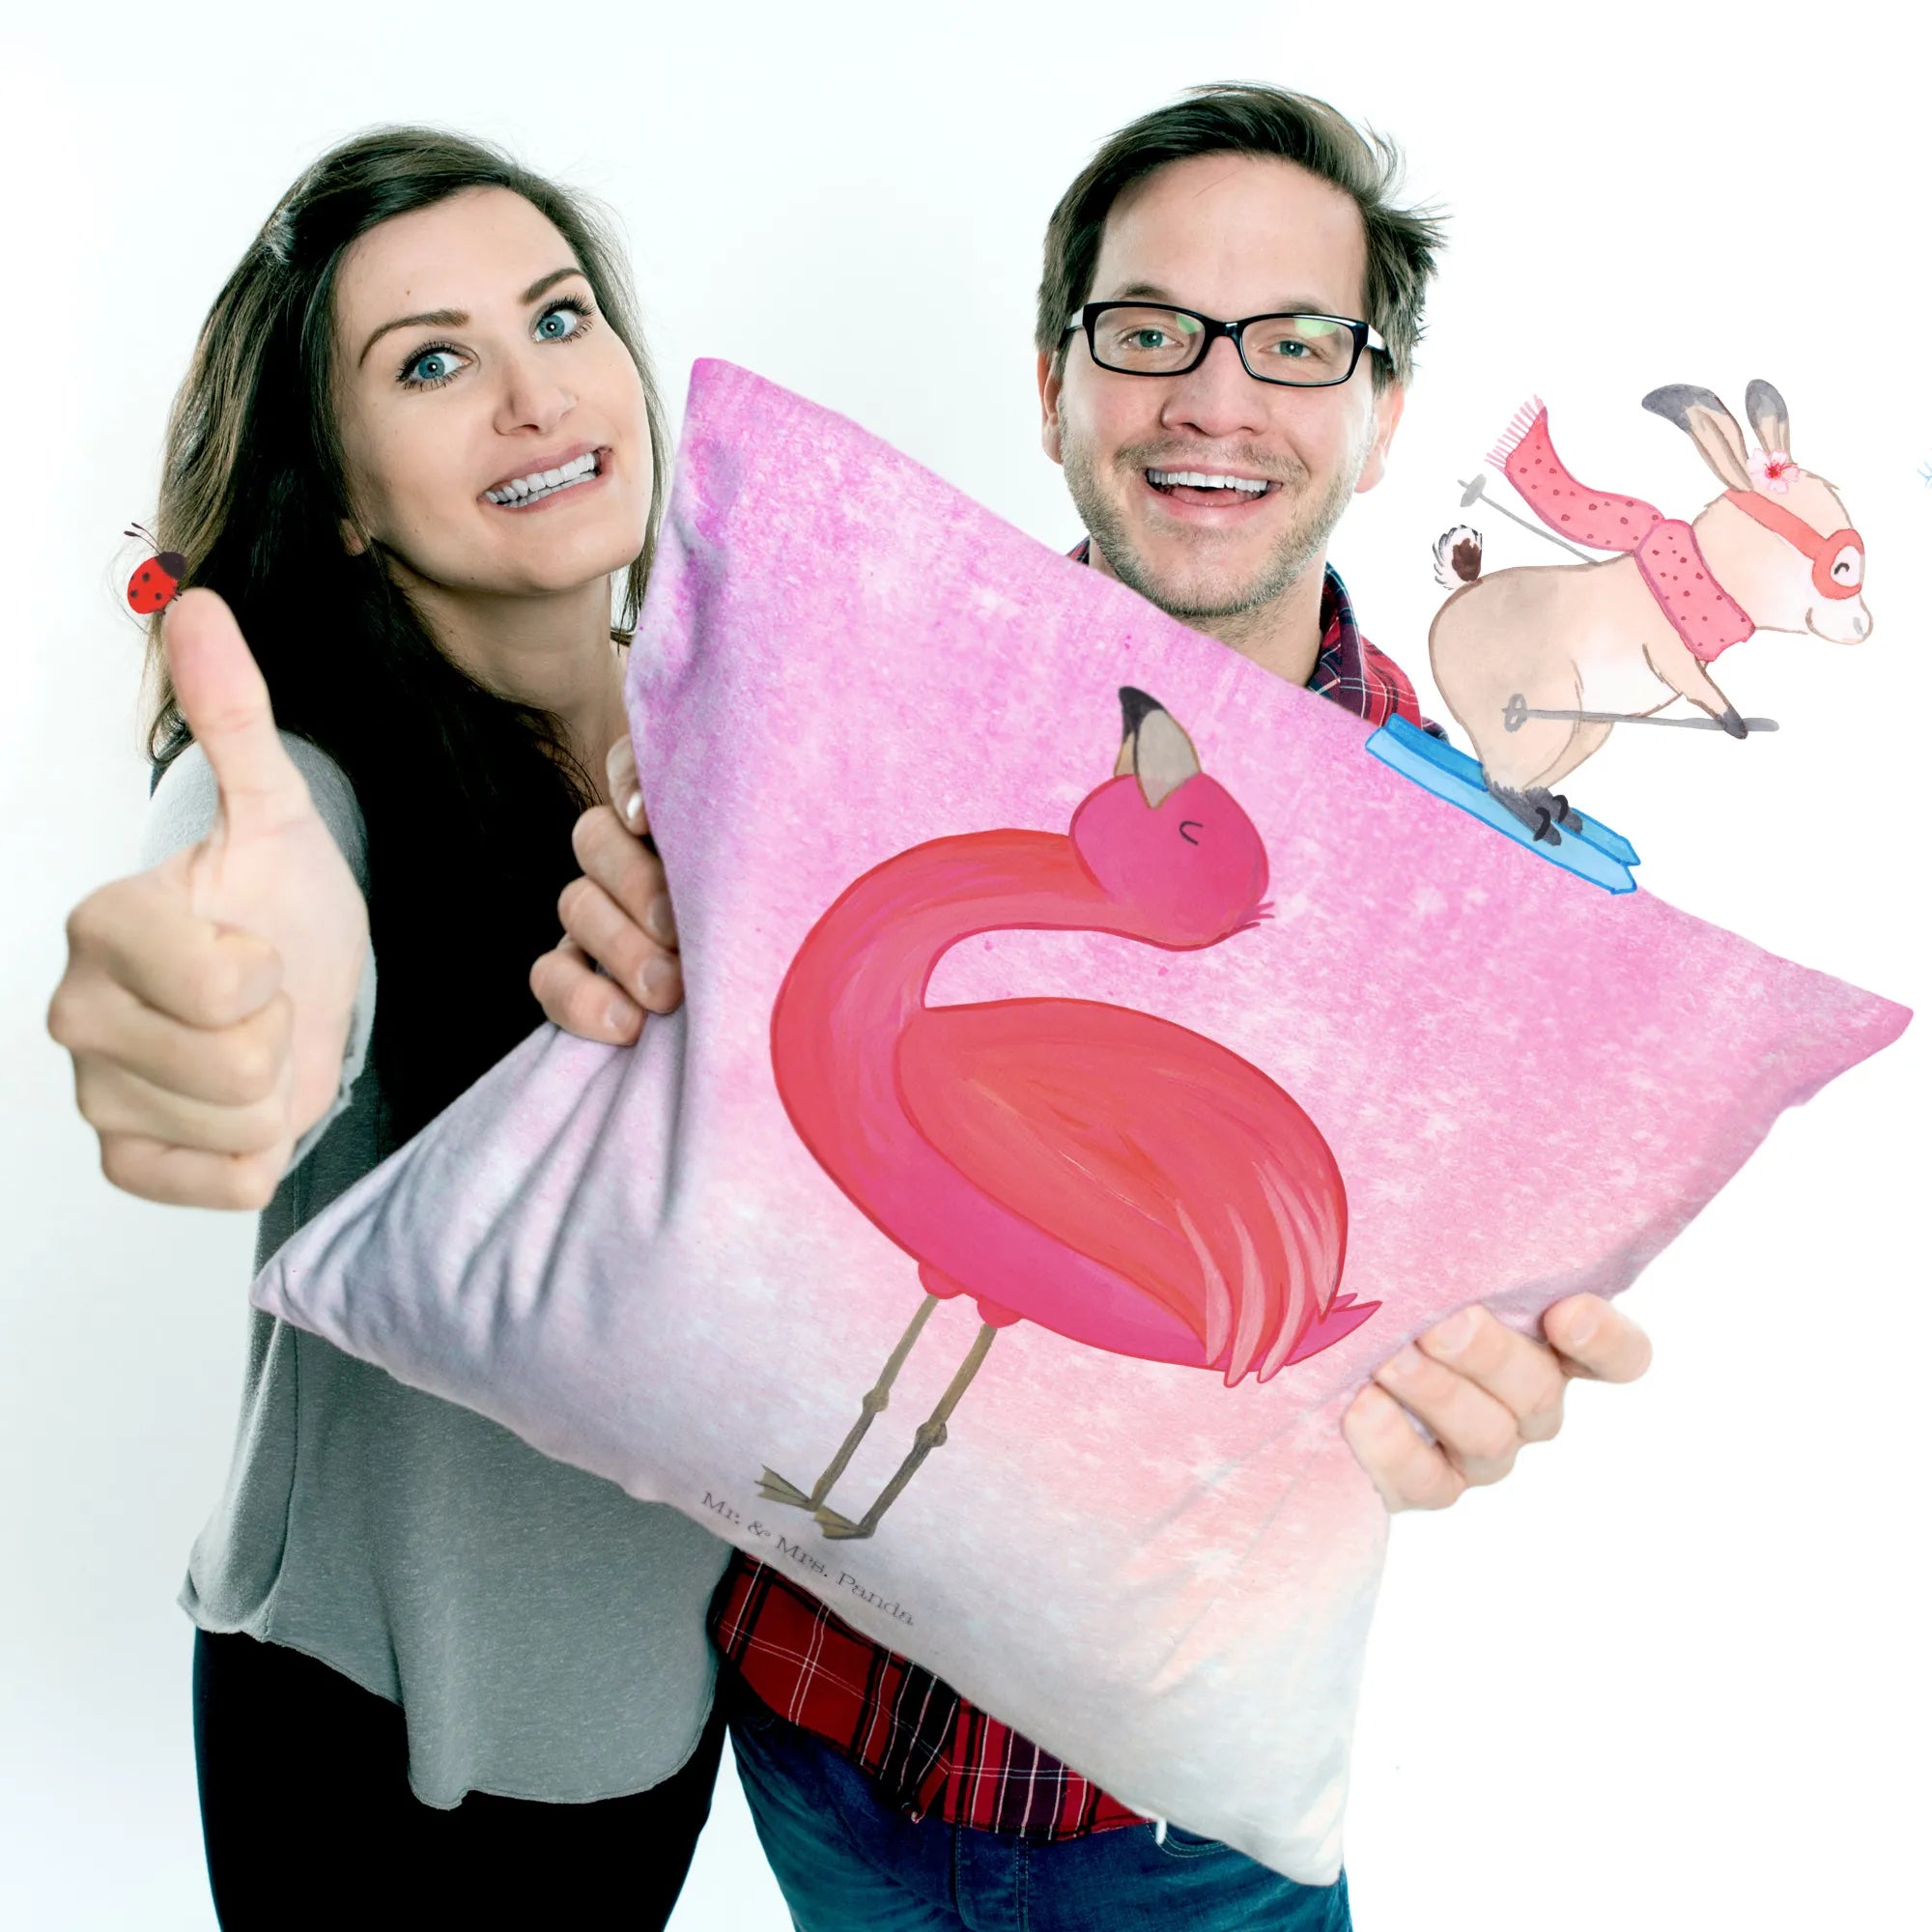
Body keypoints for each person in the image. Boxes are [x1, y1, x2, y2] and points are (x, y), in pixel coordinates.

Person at [534, 84, 1655, 1929]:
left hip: (1173, 1828)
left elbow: (1434, 1318)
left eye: (1296, 343)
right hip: (807, 1734)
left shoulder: (1478, 893)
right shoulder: (844, 721)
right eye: (1150, 333)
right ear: (1055, 383)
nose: (1216, 398)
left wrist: (1482, 1386)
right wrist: (626, 971)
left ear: (1380, 418)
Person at [45, 130, 730, 1928]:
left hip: (661, 1706)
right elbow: (255, 895)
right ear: (342, 496)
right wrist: (222, 995)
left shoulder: (736, 747)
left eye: (559, 318)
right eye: (430, 363)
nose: (532, 395)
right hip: (378, 1742)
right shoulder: (309, 781)